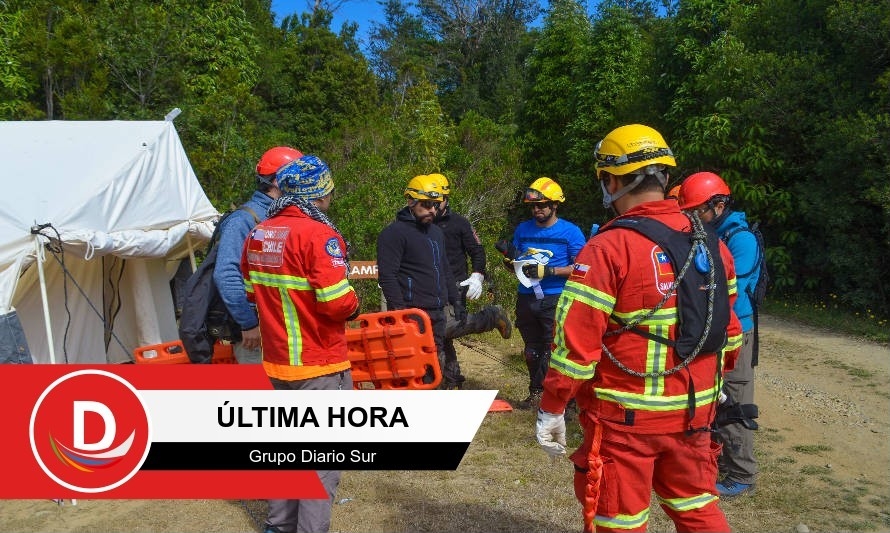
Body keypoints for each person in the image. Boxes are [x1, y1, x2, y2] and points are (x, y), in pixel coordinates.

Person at [534, 124, 743, 532]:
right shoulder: (711, 242)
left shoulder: (609, 248)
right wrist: (714, 385)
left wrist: (552, 407)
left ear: (611, 181)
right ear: (665, 177)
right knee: (697, 508)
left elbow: (575, 349)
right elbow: (729, 332)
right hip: (694, 413)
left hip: (626, 421)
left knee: (620, 521)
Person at [240, 154, 360, 533]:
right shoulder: (319, 235)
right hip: (318, 364)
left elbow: (250, 294)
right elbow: (338, 302)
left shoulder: (259, 233)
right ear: (319, 194)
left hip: (277, 363)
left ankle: (277, 526)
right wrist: (355, 301)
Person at [679, 171, 761, 498]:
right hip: (711, 326)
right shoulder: (707, 233)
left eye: (698, 210)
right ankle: (716, 460)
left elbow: (730, 286)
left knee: (735, 400)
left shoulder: (741, 238)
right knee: (712, 395)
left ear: (719, 204)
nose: (693, 217)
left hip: (736, 329)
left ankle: (742, 473)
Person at [214, 146, 302, 364]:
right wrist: (248, 323)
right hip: (257, 335)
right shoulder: (244, 220)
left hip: (284, 331)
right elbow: (226, 273)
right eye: (296, 178)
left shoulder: (279, 216)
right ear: (276, 181)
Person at [506, 177, 586, 409]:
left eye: (542, 205)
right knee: (532, 349)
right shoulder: (523, 229)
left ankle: (564, 400)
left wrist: (550, 270)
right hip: (527, 296)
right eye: (533, 206)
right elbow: (516, 262)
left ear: (554, 205)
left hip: (556, 297)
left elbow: (581, 268)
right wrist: (509, 261)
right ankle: (536, 393)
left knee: (556, 350)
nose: (537, 209)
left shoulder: (570, 232)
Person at [376, 174, 461, 388]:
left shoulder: (436, 233)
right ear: (411, 202)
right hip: (412, 313)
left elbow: (445, 268)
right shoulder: (393, 233)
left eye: (435, 205)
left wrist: (456, 300)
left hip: (437, 311)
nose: (432, 210)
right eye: (426, 204)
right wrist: (401, 312)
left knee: (436, 363)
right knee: (413, 369)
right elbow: (388, 276)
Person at [432, 173, 513, 389]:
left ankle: (490, 317)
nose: (432, 205)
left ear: (445, 198)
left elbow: (477, 251)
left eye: (436, 200)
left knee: (443, 329)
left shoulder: (459, 223)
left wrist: (478, 275)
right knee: (439, 336)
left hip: (456, 287)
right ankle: (452, 380)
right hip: (430, 287)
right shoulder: (422, 223)